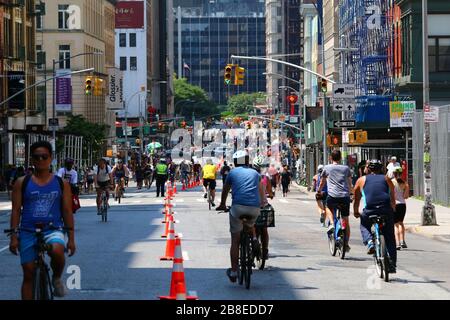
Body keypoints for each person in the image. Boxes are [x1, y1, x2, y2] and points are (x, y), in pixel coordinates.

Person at [8, 141, 75, 299]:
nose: (40, 160)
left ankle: (56, 278)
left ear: (51, 158)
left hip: (53, 229)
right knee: (28, 273)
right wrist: (13, 237)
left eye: (44, 156)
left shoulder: (61, 183)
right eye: (36, 157)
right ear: (32, 159)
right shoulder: (21, 183)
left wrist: (71, 238)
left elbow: (67, 210)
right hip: (28, 231)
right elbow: (16, 210)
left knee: (58, 250)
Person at [216, 150, 265, 283]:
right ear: (248, 160)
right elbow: (261, 191)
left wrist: (222, 204)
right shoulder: (255, 173)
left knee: (235, 240)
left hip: (237, 208)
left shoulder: (232, 173)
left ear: (236, 161)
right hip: (254, 208)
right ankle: (254, 239)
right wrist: (262, 204)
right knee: (250, 225)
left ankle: (233, 271)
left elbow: (226, 189)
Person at [353, 160, 397, 273]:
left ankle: (369, 242)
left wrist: (356, 212)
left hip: (370, 210)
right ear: (381, 168)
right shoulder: (386, 179)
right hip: (386, 210)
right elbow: (392, 195)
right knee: (390, 237)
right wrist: (393, 209)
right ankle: (392, 264)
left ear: (368, 169)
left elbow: (356, 199)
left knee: (364, 224)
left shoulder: (361, 180)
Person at [317, 150, 353, 253]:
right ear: (340, 158)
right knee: (346, 219)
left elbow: (322, 182)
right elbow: (350, 183)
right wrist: (351, 193)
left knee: (328, 207)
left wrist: (319, 191)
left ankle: (332, 223)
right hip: (344, 196)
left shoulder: (327, 168)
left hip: (332, 196)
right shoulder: (346, 168)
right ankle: (345, 244)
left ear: (330, 158)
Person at [252, 155, 273, 260]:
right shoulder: (266, 178)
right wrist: (271, 195)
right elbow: (270, 192)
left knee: (250, 225)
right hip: (263, 207)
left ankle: (254, 239)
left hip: (251, 206)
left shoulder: (250, 177)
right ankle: (265, 250)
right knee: (264, 229)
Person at [392, 167, 409, 250]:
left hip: (394, 204)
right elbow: (406, 196)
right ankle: (402, 241)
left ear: (393, 173)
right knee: (401, 223)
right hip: (402, 204)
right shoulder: (405, 184)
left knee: (395, 225)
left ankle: (397, 243)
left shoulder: (391, 182)